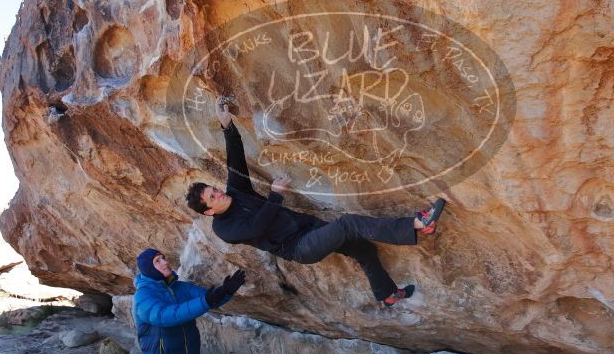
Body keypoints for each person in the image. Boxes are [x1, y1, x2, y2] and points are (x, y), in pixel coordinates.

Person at [184, 97, 446, 307]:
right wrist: (275, 195)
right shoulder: (224, 229)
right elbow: (256, 227)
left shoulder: (235, 190)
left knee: (363, 249)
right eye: (213, 197)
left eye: (214, 189)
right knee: (348, 224)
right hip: (300, 247)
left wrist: (226, 124)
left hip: (309, 227)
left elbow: (235, 159)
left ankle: (387, 294)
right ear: (209, 211)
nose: (219, 193)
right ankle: (418, 224)